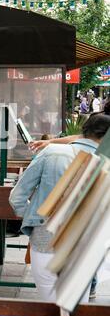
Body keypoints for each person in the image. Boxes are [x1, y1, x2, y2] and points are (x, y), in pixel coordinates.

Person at [9, 114, 110, 302]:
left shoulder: (51, 152)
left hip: (45, 239)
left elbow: (17, 197)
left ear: (83, 132)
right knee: (75, 314)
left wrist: (33, 219)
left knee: (51, 310)